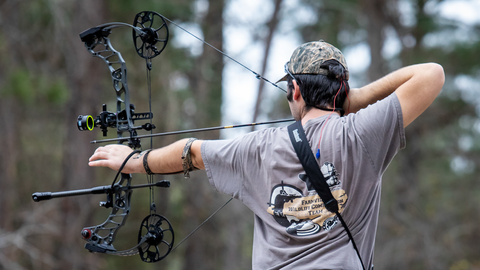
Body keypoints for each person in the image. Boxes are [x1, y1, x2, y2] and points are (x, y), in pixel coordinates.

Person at [88, 40, 444, 269]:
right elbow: (431, 74)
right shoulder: (363, 133)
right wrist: (357, 98)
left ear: (295, 90)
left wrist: (135, 161)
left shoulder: (257, 148)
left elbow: (190, 152)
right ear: (341, 91)